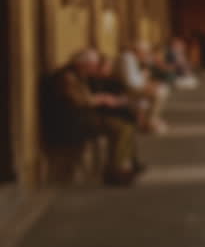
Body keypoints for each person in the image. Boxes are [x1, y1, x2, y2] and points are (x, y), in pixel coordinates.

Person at [53, 49, 142, 185]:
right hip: (74, 118)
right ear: (83, 64)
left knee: (126, 125)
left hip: (84, 114)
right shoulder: (69, 76)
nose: (95, 69)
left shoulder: (79, 74)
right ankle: (116, 169)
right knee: (121, 127)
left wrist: (102, 98)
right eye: (93, 66)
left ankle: (121, 165)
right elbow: (78, 100)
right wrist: (101, 99)